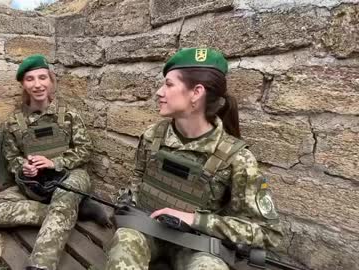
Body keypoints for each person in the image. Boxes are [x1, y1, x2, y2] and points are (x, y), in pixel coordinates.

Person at [105, 48, 283, 270]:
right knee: (124, 243)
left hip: (198, 244)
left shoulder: (237, 158)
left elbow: (269, 233)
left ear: (196, 93)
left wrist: (196, 220)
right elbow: (138, 181)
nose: (159, 93)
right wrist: (128, 201)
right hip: (147, 227)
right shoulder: (153, 136)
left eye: (169, 85)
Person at [0, 54, 93, 270]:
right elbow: (11, 159)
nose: (38, 84)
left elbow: (85, 149)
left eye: (43, 78)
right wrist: (23, 168)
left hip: (70, 177)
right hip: (34, 187)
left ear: (51, 81)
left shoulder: (68, 115)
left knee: (65, 195)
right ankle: (70, 213)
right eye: (30, 79)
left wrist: (55, 163)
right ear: (23, 84)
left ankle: (41, 264)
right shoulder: (14, 122)